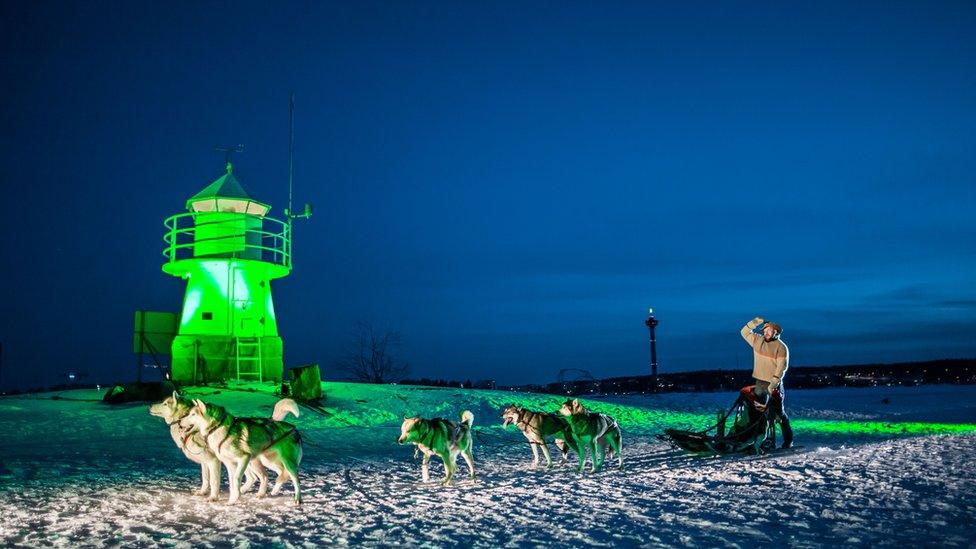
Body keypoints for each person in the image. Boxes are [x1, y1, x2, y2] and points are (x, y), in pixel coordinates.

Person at [740, 316, 793, 448]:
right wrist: (755, 323)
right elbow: (744, 332)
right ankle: (754, 438)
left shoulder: (781, 347)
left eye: (769, 330)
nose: (766, 332)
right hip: (759, 383)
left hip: (774, 384)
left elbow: (781, 367)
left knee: (779, 414)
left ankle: (788, 440)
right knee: (755, 410)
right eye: (764, 330)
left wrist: (773, 384)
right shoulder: (758, 341)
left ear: (776, 332)